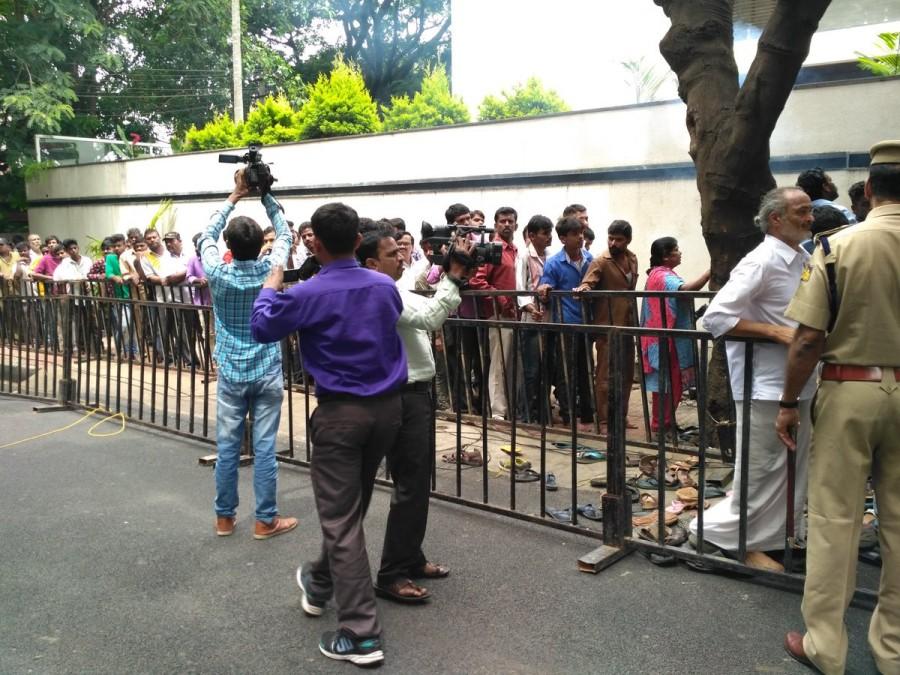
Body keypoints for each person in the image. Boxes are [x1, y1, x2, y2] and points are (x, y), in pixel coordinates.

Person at [250, 202, 407, 668]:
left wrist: (271, 284)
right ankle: (320, 581)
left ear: (313, 243)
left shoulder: (306, 294)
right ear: (359, 241)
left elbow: (262, 327)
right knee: (349, 509)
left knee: (340, 520)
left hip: (340, 416)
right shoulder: (384, 286)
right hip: (387, 412)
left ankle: (360, 633)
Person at [777, 140, 900, 675]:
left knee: (834, 519)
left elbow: (806, 341)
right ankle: (892, 649)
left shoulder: (836, 247)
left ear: (869, 188)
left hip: (849, 389)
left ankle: (826, 646)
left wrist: (787, 404)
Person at [689, 187, 816, 571]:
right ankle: (715, 534)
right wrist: (776, 333)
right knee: (760, 471)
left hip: (799, 382)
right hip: (764, 386)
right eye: (802, 212)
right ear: (776, 219)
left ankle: (772, 540)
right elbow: (716, 317)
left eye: (810, 211)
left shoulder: (804, 257)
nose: (810, 218)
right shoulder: (760, 261)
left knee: (789, 469)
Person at [355, 226, 474, 603]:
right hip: (403, 394)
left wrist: (447, 273)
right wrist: (453, 277)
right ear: (372, 262)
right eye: (393, 253)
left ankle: (408, 556)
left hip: (413, 391)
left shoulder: (392, 285)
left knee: (417, 483)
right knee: (409, 485)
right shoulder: (378, 291)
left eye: (402, 250)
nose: (402, 257)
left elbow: (420, 296)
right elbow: (429, 317)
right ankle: (391, 573)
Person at [198, 170, 297, 542]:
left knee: (226, 447)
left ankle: (225, 518)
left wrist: (235, 194)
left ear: (229, 244)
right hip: (267, 368)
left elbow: (206, 235)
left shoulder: (217, 273)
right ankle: (265, 520)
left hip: (231, 372)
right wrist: (265, 194)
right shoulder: (270, 268)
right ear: (260, 245)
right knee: (265, 447)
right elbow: (285, 233)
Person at [639, 237, 709, 437]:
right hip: (666, 340)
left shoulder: (658, 274)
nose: (680, 253)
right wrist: (709, 272)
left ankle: (664, 424)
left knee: (666, 385)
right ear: (666, 256)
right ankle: (662, 426)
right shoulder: (662, 276)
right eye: (677, 250)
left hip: (660, 338)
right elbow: (685, 289)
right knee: (669, 385)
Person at [576, 219, 639, 432]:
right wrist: (584, 287)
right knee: (604, 376)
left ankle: (621, 415)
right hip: (606, 325)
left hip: (628, 325)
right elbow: (589, 281)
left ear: (628, 240)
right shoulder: (601, 260)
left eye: (618, 239)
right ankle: (603, 420)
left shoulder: (632, 258)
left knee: (626, 373)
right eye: (610, 238)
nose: (613, 243)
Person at [537, 217, 594, 430]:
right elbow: (544, 287)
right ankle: (568, 415)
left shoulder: (590, 259)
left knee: (587, 369)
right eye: (574, 234)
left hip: (587, 323)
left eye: (581, 232)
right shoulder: (554, 263)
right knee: (566, 372)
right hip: (565, 325)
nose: (580, 237)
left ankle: (588, 414)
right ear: (563, 238)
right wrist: (543, 290)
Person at [468, 206, 519, 420]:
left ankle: (508, 408)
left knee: (510, 363)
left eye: (510, 221)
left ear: (516, 224)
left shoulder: (514, 249)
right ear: (496, 224)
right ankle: (497, 412)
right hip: (497, 314)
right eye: (503, 221)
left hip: (513, 314)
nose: (507, 224)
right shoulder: (492, 248)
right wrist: (502, 299)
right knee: (499, 364)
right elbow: (476, 280)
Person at [516, 215, 552, 422]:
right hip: (531, 317)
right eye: (545, 234)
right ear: (531, 235)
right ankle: (526, 414)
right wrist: (530, 307)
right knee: (531, 369)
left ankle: (542, 412)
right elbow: (520, 288)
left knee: (546, 367)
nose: (549, 238)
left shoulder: (551, 254)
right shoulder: (523, 256)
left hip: (548, 316)